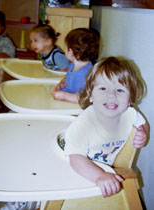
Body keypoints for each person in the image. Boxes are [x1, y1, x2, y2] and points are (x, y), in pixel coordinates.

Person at [63, 56, 149, 198]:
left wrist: (143, 134)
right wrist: (99, 175)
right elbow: (76, 158)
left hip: (104, 168)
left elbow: (142, 124)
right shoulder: (84, 125)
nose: (111, 95)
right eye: (103, 88)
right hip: (78, 168)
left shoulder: (130, 114)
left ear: (129, 99)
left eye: (120, 90)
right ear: (90, 95)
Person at [52, 27, 99, 103]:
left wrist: (64, 96)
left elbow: (84, 99)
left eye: (66, 47)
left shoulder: (84, 74)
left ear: (70, 51)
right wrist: (62, 82)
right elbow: (69, 78)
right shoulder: (72, 65)